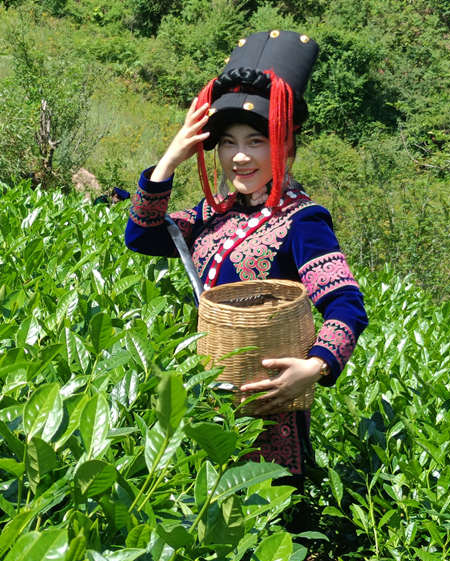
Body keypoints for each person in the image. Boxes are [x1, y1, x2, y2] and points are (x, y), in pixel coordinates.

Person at [125, 30, 368, 497]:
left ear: (285, 146)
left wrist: (315, 366)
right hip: (204, 398)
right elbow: (142, 233)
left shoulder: (303, 220)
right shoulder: (211, 213)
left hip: (267, 413)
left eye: (256, 140)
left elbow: (347, 305)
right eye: (227, 142)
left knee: (264, 536)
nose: (239, 156)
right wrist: (170, 160)